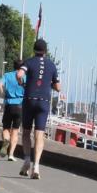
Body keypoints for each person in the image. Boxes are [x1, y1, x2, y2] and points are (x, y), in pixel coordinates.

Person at [17, 38, 61, 179]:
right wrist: (49, 84)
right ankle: (36, 166)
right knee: (39, 134)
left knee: (26, 132)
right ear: (45, 51)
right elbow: (58, 87)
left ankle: (27, 160)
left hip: (29, 100)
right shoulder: (52, 65)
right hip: (44, 101)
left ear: (34, 50)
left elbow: (19, 74)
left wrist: (22, 83)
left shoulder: (29, 62)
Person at [0, 59, 26, 161]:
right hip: (20, 105)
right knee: (15, 131)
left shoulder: (7, 75)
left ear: (14, 66)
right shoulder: (25, 77)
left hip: (9, 104)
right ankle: (11, 155)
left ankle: (6, 141)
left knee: (6, 128)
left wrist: (2, 92)